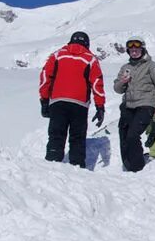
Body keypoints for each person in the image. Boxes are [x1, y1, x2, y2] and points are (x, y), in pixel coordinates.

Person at [39, 31, 105, 168]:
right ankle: (77, 167)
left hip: (57, 102)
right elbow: (97, 84)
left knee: (56, 135)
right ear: (87, 44)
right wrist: (100, 107)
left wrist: (44, 100)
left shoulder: (57, 55)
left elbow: (45, 77)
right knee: (77, 138)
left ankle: (51, 165)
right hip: (79, 105)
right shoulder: (91, 59)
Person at [113, 37, 155, 172]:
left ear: (142, 49)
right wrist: (123, 82)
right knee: (124, 134)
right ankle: (128, 164)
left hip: (145, 105)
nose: (134, 52)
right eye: (131, 50)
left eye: (137, 49)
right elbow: (117, 89)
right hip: (128, 105)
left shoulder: (152, 66)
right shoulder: (126, 68)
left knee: (132, 135)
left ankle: (137, 168)